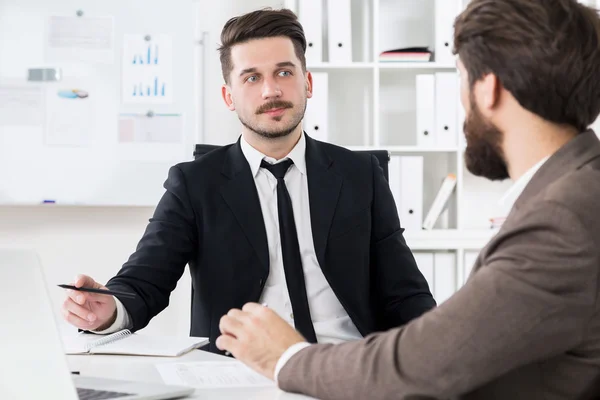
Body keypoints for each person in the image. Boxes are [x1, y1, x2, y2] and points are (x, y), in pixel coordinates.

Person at [216, 0, 600, 398]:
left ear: (488, 89)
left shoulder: (564, 218)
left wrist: (285, 358)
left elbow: (429, 362)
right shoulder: (578, 190)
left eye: (461, 80)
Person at [60, 8, 436, 354]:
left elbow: (406, 296)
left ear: (307, 83)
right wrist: (108, 311)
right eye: (252, 77)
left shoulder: (359, 175)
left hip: (346, 364)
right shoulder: (194, 184)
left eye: (284, 73)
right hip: (240, 370)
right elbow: (144, 282)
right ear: (229, 96)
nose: (270, 90)